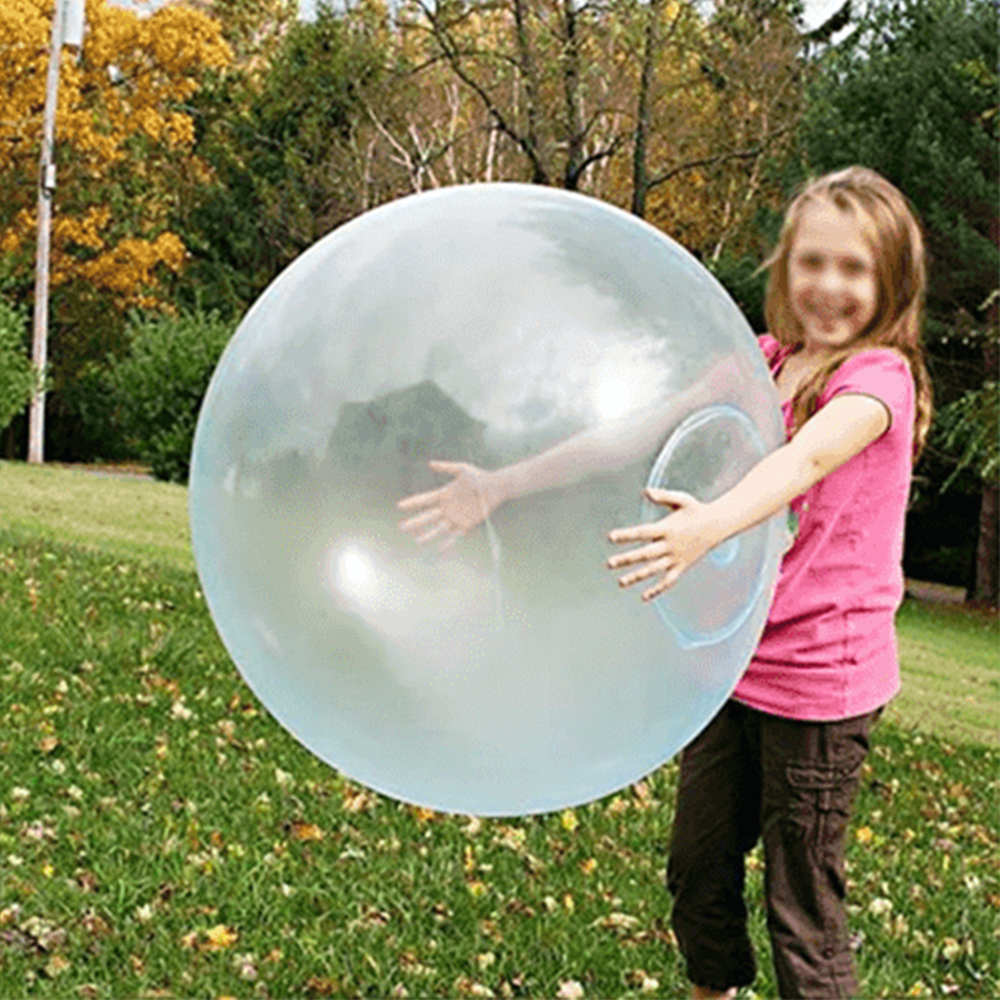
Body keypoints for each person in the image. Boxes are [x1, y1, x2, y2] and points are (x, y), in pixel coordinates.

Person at [607, 166, 932, 998]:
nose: (828, 285)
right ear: (785, 266)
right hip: (735, 664)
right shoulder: (765, 360)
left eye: (854, 268)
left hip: (824, 683)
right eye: (812, 262)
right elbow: (640, 427)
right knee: (698, 870)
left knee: (801, 904)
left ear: (891, 280)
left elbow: (807, 457)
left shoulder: (878, 381)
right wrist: (499, 485)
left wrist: (705, 526)